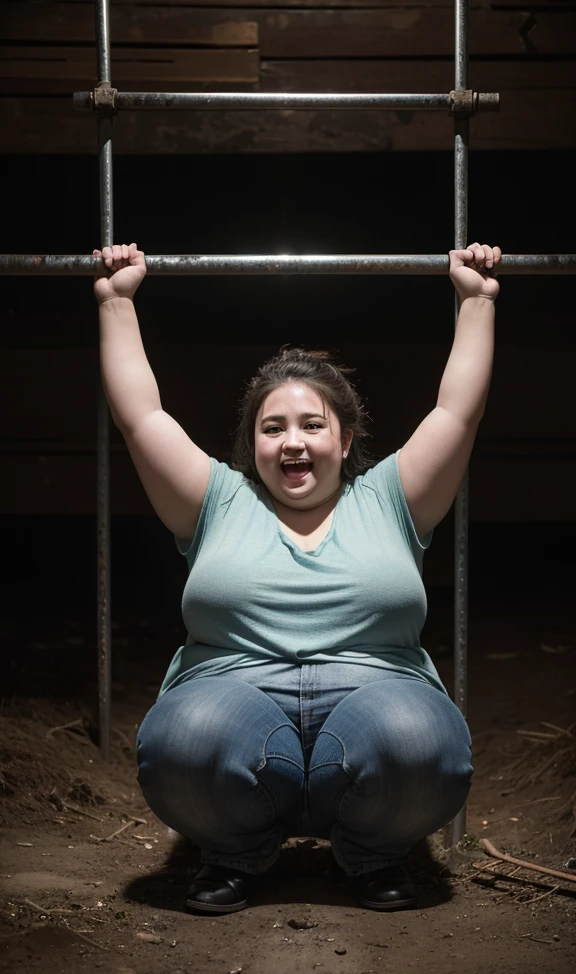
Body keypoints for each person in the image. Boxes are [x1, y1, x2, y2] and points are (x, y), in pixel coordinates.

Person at [94, 240, 501, 915]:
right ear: (253, 445)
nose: (292, 441)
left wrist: (478, 301)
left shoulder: (393, 497)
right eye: (272, 427)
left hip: (378, 695)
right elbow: (140, 417)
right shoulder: (218, 499)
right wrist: (116, 301)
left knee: (418, 741)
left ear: (343, 439)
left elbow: (458, 412)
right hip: (232, 691)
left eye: (312, 424)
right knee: (186, 737)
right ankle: (234, 852)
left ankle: (370, 853)